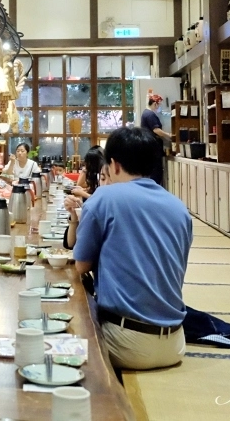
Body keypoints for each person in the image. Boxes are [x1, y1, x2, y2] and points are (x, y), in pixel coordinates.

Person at [72, 126, 193, 370]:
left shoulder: (104, 199)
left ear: (113, 165)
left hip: (126, 341)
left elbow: (81, 266)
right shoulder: (180, 208)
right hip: (176, 342)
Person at [63, 147, 106, 249]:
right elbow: (70, 244)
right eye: (102, 178)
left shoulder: (107, 208)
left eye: (104, 178)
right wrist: (73, 214)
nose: (103, 182)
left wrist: (83, 195)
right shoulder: (96, 177)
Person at [140, 93, 170, 185]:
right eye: (159, 105)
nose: (159, 107)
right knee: (156, 173)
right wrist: (170, 136)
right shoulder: (150, 115)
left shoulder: (146, 113)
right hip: (152, 148)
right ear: (154, 104)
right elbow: (156, 130)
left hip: (149, 147)